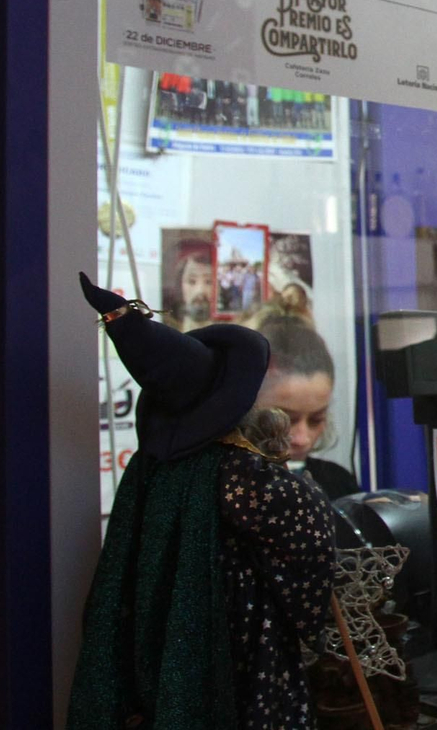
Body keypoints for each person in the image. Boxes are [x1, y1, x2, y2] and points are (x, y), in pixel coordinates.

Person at [69, 273, 335, 730]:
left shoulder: (150, 469)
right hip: (234, 645)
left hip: (162, 642)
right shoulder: (239, 472)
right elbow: (309, 545)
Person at [249, 310, 361, 500]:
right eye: (285, 420)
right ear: (246, 407)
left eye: (316, 420)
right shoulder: (211, 486)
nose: (302, 440)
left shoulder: (338, 484)